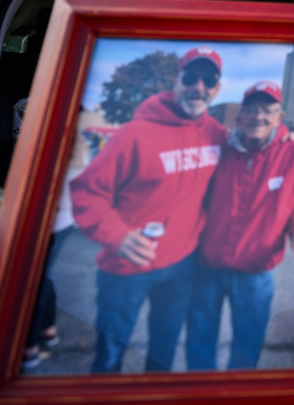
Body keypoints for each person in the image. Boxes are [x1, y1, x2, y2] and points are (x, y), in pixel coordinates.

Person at [70, 46, 227, 371]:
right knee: (110, 357)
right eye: (191, 77)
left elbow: (256, 146)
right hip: (126, 268)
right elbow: (87, 192)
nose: (199, 87)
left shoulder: (215, 134)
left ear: (217, 88)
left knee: (162, 353)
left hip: (183, 266)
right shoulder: (134, 134)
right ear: (177, 80)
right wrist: (117, 235)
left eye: (208, 80)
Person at [185, 81, 294, 371]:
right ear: (240, 116)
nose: (258, 116)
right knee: (199, 341)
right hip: (207, 267)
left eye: (267, 109)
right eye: (251, 109)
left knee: (247, 347)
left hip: (255, 274)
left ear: (279, 117)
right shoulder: (219, 149)